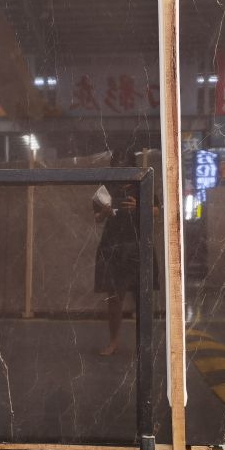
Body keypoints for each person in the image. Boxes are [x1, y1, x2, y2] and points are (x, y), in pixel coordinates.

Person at [93, 150, 155, 356]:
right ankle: (114, 342)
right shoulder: (107, 186)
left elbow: (157, 210)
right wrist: (105, 212)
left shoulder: (142, 183)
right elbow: (97, 217)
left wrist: (140, 206)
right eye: (117, 168)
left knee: (142, 296)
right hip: (114, 245)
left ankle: (144, 343)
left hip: (137, 244)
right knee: (114, 297)